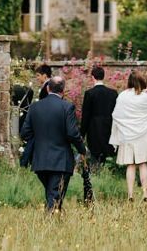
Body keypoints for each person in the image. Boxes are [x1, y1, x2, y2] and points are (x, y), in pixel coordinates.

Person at [21, 76, 86, 212]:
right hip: (60, 159)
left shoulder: (34, 107)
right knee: (55, 194)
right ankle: (50, 222)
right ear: (63, 90)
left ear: (48, 88)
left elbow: (25, 133)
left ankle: (55, 220)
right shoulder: (67, 107)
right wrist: (82, 149)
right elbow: (73, 134)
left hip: (40, 160)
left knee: (52, 193)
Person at [109, 70, 147, 201]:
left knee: (130, 165)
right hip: (143, 135)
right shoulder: (146, 97)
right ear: (142, 82)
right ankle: (145, 193)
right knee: (143, 164)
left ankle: (130, 194)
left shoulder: (123, 96)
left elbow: (116, 115)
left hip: (127, 135)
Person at [80, 65, 118, 168]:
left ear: (92, 77)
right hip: (108, 127)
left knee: (95, 156)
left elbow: (85, 116)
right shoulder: (113, 93)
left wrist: (82, 134)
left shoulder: (89, 93)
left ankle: (96, 174)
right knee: (108, 155)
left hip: (94, 128)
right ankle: (108, 174)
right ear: (103, 76)